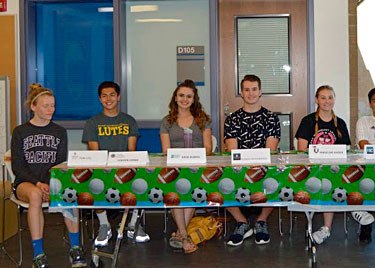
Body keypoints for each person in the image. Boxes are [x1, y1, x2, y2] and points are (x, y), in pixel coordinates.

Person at [11, 83, 87, 267]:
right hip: (26, 183)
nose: (51, 109)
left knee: (70, 191)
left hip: (52, 181)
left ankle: (75, 247)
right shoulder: (20, 131)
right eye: (46, 106)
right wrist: (38, 183)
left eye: (53, 105)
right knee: (35, 196)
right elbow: (17, 167)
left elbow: (59, 163)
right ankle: (38, 254)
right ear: (33, 107)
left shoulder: (59, 131)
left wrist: (49, 183)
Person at [295, 85, 374, 244]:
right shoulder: (307, 121)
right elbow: (302, 151)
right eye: (323, 97)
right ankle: (348, 213)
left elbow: (346, 152)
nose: (326, 101)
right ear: (316, 100)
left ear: (334, 100)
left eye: (330, 97)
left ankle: (331, 226)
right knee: (327, 178)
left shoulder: (341, 123)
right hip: (314, 169)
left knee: (351, 171)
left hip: (335, 169)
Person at [82, 81, 148, 247]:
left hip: (124, 168)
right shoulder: (92, 123)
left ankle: (133, 224)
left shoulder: (129, 120)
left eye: (112, 95)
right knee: (94, 182)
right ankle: (104, 225)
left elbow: (131, 151)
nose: (108, 99)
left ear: (118, 97)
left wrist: (124, 169)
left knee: (142, 180)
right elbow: (94, 154)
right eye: (104, 96)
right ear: (100, 99)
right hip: (103, 170)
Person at [223, 74, 280, 246]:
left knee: (278, 176)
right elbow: (232, 150)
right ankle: (242, 222)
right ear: (241, 93)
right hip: (239, 168)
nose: (251, 93)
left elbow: (270, 150)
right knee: (220, 181)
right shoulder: (232, 119)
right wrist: (246, 166)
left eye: (254, 89)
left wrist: (256, 166)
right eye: (246, 89)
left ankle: (261, 221)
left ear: (260, 92)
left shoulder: (271, 118)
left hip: (264, 167)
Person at [160, 79, 213, 253]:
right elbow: (166, 150)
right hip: (175, 169)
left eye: (189, 96)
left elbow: (208, 148)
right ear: (175, 98)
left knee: (192, 186)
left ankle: (180, 234)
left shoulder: (203, 120)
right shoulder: (167, 121)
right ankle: (184, 234)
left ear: (194, 99)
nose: (184, 99)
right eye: (181, 95)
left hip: (197, 168)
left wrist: (192, 157)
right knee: (177, 188)